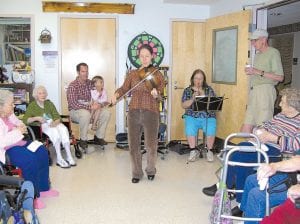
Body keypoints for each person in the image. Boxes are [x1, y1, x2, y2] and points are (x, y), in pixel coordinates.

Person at [202, 88, 300, 203]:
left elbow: (296, 144)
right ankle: (230, 191)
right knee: (234, 152)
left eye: (283, 102)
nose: (279, 104)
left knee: (240, 158)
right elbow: (265, 125)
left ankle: (231, 193)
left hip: (276, 152)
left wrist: (271, 137)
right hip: (261, 144)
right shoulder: (280, 116)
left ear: (292, 106)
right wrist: (259, 131)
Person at [111, 44, 165, 183]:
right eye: (142, 56)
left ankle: (151, 170)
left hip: (151, 112)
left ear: (152, 56)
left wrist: (156, 94)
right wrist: (116, 94)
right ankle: (136, 173)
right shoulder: (133, 74)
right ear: (138, 57)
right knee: (134, 145)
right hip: (134, 111)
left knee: (151, 145)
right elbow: (124, 88)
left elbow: (160, 97)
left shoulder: (157, 74)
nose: (144, 59)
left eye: (147, 56)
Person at [0, 89, 59, 209]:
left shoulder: (9, 114)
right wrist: (17, 131)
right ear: (1, 106)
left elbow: (18, 122)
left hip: (19, 142)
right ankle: (32, 197)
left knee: (41, 150)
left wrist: (21, 125)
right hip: (8, 149)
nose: (13, 106)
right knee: (30, 159)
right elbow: (2, 141)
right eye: (10, 104)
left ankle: (43, 188)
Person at [241, 28, 284, 133]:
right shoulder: (257, 55)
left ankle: (261, 149)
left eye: (254, 40)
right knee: (245, 130)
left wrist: (257, 71)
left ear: (263, 40)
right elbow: (257, 73)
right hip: (254, 92)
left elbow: (280, 77)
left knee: (261, 129)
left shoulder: (273, 52)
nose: (252, 43)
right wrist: (252, 72)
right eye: (251, 40)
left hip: (265, 92)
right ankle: (249, 148)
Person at [23, 85, 76, 168]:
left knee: (63, 129)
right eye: (40, 93)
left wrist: (56, 122)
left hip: (53, 123)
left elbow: (57, 116)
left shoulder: (49, 103)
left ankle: (69, 156)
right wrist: (37, 118)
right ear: (36, 95)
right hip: (41, 126)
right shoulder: (32, 106)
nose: (42, 95)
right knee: (54, 132)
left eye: (44, 93)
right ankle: (59, 158)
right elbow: (25, 120)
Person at [239, 155, 300, 224]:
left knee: (256, 195)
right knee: (251, 180)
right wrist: (273, 166)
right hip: (293, 177)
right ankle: (246, 216)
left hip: (296, 189)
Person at [67, 63, 111, 149]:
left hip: (91, 108)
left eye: (87, 71)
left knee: (106, 113)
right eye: (83, 71)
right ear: (78, 72)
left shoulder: (91, 83)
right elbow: (74, 104)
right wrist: (90, 107)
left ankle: (98, 137)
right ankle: (83, 140)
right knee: (85, 113)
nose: (86, 74)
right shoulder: (73, 85)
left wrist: (100, 104)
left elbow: (100, 94)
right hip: (76, 111)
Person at [181, 69, 217, 162]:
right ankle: (193, 150)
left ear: (203, 79)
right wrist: (193, 99)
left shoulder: (209, 89)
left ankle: (210, 150)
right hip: (192, 116)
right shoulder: (188, 90)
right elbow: (183, 105)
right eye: (196, 78)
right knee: (190, 127)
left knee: (211, 128)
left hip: (207, 116)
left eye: (200, 78)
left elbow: (214, 105)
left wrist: (202, 94)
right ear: (192, 79)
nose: (198, 80)